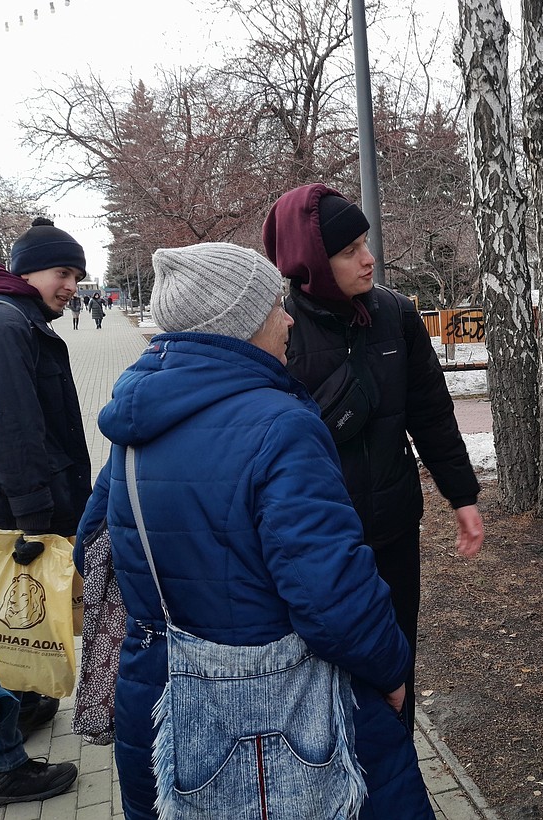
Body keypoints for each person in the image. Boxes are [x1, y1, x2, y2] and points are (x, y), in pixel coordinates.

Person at [75, 242, 432, 819]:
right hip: (282, 711)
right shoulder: (282, 425)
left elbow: (93, 551)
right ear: (239, 323)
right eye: (275, 305)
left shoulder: (132, 424)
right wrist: (390, 670)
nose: (289, 318)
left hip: (161, 693)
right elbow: (330, 591)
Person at [263, 184, 484, 726]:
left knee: (396, 663)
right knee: (324, 669)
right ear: (311, 261)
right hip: (315, 540)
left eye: (366, 242)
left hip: (391, 526)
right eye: (348, 250)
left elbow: (430, 411)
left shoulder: (394, 314)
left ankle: (397, 776)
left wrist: (462, 495)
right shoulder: (275, 327)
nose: (369, 259)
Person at [0, 217, 92, 796]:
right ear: (26, 271)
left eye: (77, 275)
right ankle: (2, 742)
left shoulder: (12, 319)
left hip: (11, 501)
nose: (72, 286)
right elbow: (9, 429)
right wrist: (34, 517)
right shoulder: (3, 326)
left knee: (22, 613)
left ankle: (26, 705)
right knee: (11, 619)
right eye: (64, 273)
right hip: (11, 508)